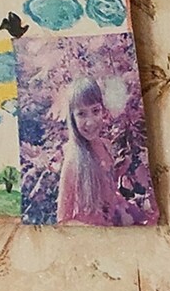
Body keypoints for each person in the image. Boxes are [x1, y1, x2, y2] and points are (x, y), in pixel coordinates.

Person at [56, 76, 134, 225]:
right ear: (72, 117)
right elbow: (63, 219)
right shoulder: (73, 160)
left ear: (103, 110)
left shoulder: (106, 145)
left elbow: (107, 189)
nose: (90, 122)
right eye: (81, 114)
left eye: (95, 111)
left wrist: (123, 207)